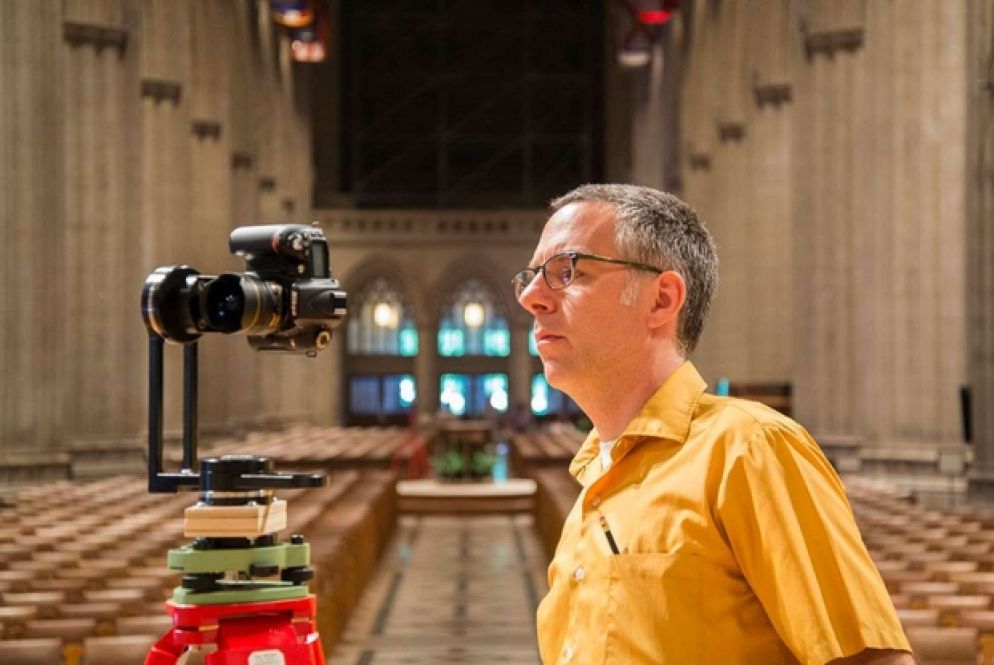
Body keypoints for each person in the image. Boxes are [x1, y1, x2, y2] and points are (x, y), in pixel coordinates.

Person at [513, 184, 912, 664]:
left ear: (661, 300)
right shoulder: (594, 479)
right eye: (532, 277)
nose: (532, 298)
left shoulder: (750, 449)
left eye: (566, 271)